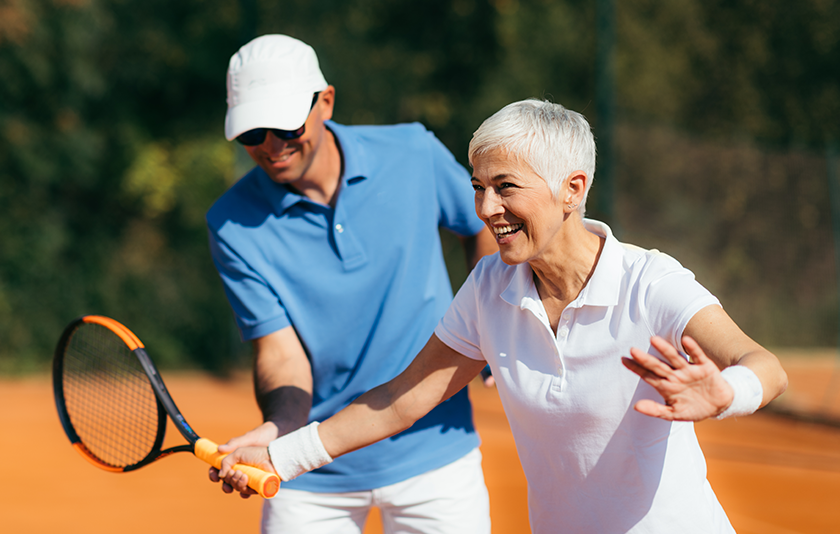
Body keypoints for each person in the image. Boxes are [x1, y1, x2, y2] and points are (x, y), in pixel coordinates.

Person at [217, 99, 789, 533]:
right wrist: (280, 456)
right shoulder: (490, 288)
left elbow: (763, 365)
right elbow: (401, 399)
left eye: (505, 187)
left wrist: (727, 393)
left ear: (572, 189)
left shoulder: (649, 281)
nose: (487, 209)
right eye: (478, 188)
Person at [205, 34, 498, 533]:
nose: (271, 146)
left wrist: (489, 320)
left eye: (285, 125)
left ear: (326, 102)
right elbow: (280, 353)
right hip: (310, 469)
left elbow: (483, 226)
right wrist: (280, 429)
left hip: (436, 451)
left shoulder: (413, 152)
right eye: (253, 133)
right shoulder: (231, 223)